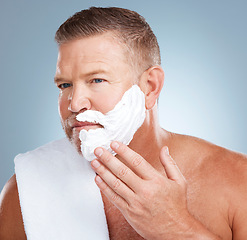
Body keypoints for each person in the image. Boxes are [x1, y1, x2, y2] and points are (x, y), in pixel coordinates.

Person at [0, 6, 247, 240]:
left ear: (150, 87)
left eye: (96, 80)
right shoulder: (25, 192)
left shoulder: (237, 180)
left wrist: (177, 228)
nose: (74, 104)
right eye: (65, 85)